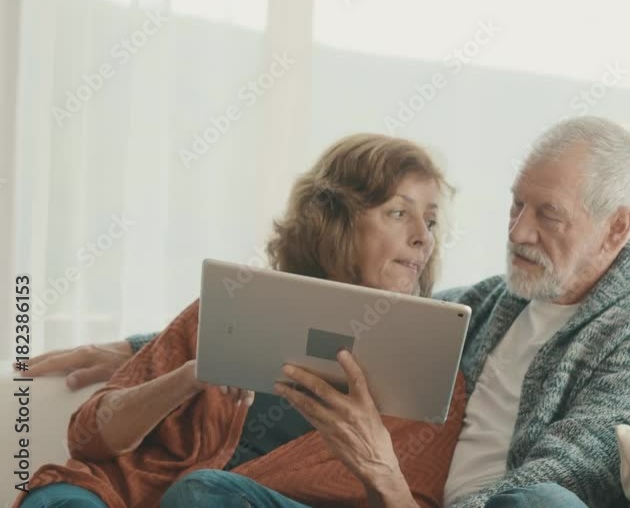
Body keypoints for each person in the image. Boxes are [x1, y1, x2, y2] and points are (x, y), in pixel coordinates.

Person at [21, 116, 630, 507]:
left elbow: (574, 464)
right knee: (204, 495)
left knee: (543, 506)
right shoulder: (494, 302)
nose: (518, 231)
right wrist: (149, 344)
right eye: (515, 205)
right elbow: (346, 316)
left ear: (616, 228)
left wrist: (396, 483)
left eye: (547, 214)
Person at [16, 134, 468, 508]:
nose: (422, 238)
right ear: (337, 220)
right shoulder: (229, 305)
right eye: (398, 212)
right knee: (58, 499)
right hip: (130, 496)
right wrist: (189, 377)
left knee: (204, 495)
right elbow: (88, 439)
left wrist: (378, 463)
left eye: (430, 221)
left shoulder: (433, 372)